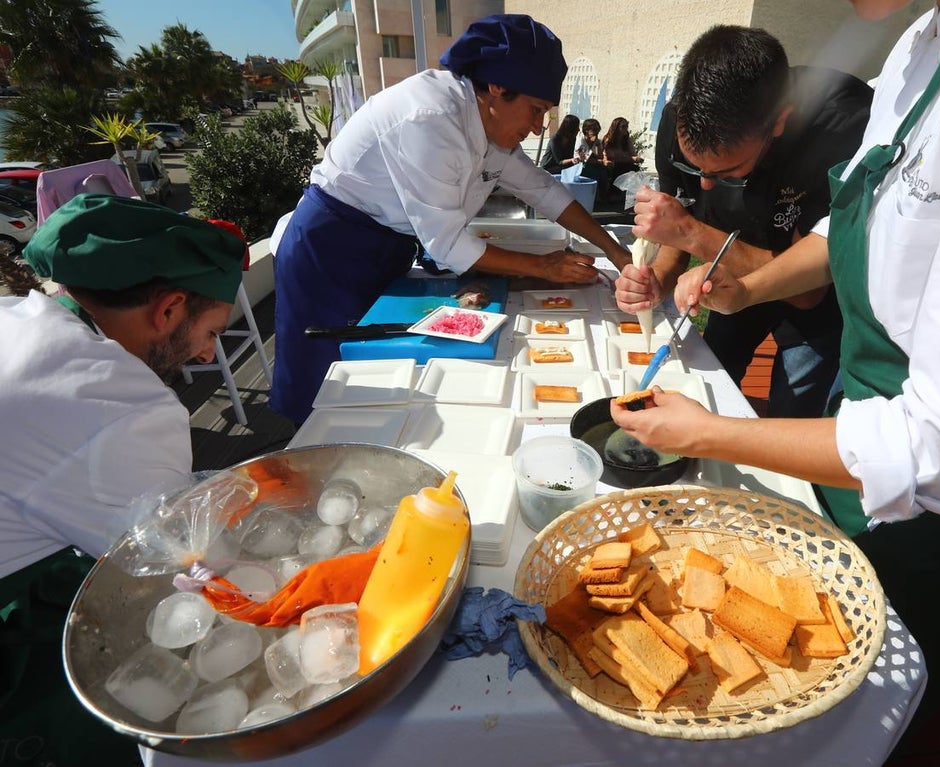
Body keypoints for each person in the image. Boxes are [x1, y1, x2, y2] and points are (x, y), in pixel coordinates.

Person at [613, 0, 940, 736]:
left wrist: (713, 433)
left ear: (779, 124)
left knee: (866, 699)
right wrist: (745, 285)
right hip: (871, 417)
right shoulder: (919, 43)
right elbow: (857, 223)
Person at [269, 14, 631, 425]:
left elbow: (542, 189)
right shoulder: (430, 117)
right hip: (329, 251)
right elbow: (447, 244)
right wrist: (544, 267)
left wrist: (615, 251)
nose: (535, 129)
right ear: (497, 87)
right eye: (534, 110)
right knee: (326, 390)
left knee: (381, 376)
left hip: (384, 246)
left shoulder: (486, 121)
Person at [0, 193, 246, 764]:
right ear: (168, 309)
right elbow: (173, 558)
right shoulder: (123, 405)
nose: (209, 355)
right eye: (211, 331)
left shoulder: (16, 317)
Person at [614, 25, 872, 416]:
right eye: (692, 165)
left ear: (779, 122)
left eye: (726, 172)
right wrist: (658, 282)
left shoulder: (841, 126)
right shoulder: (681, 120)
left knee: (791, 416)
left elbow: (808, 289)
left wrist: (690, 231)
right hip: (728, 282)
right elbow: (678, 235)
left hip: (816, 303)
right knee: (711, 386)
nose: (704, 183)